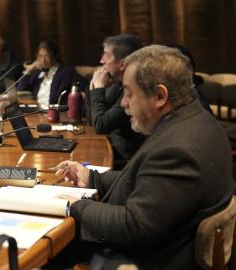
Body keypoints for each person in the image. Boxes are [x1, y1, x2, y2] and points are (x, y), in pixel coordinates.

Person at [52, 45, 234, 269]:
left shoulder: (178, 149)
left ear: (159, 95)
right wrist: (92, 178)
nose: (123, 103)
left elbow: (134, 227)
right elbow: (147, 180)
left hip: (146, 261)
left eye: (129, 93)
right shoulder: (196, 120)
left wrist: (75, 206)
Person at [87, 34, 146, 163]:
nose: (102, 61)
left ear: (122, 63)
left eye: (106, 55)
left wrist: (98, 89)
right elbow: (92, 119)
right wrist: (94, 87)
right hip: (114, 152)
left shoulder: (135, 88)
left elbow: (101, 125)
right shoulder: (117, 84)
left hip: (127, 160)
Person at [17, 40, 87, 108]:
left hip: (56, 114)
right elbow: (21, 89)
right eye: (40, 56)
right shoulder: (37, 73)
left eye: (46, 56)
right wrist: (29, 70)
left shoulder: (66, 72)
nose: (43, 60)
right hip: (37, 112)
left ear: (55, 56)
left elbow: (84, 87)